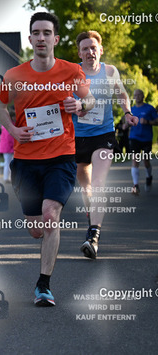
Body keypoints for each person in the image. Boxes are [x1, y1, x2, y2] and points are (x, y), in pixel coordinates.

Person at [0, 12, 94, 307]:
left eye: (47, 33)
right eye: (36, 33)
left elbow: (90, 101)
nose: (41, 38)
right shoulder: (14, 75)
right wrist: (13, 130)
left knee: (51, 216)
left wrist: (80, 104)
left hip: (61, 156)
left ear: (56, 39)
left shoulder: (71, 71)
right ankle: (40, 238)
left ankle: (43, 285)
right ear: (30, 39)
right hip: (26, 160)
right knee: (36, 228)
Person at [72, 31, 138, 259]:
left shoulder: (109, 71)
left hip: (104, 134)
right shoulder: (73, 73)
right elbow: (62, 99)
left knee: (99, 182)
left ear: (100, 50)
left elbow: (122, 94)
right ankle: (92, 216)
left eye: (93, 48)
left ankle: (93, 236)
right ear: (79, 53)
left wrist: (127, 112)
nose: (90, 52)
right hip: (78, 137)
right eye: (85, 49)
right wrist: (75, 106)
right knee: (86, 187)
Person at [126, 89, 157, 194]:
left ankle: (149, 177)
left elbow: (157, 121)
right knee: (135, 160)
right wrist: (126, 125)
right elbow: (128, 122)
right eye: (135, 95)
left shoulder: (149, 108)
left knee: (146, 161)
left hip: (146, 138)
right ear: (134, 97)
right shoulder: (131, 110)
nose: (137, 96)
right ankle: (136, 185)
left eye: (139, 94)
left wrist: (148, 121)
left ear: (143, 96)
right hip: (134, 137)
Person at [0, 109, 16, 182]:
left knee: (8, 162)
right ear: (11, 117)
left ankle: (8, 177)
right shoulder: (9, 125)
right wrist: (14, 144)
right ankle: (6, 177)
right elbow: (9, 137)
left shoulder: (7, 123)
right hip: (8, 146)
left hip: (7, 146)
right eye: (14, 116)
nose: (15, 117)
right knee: (8, 163)